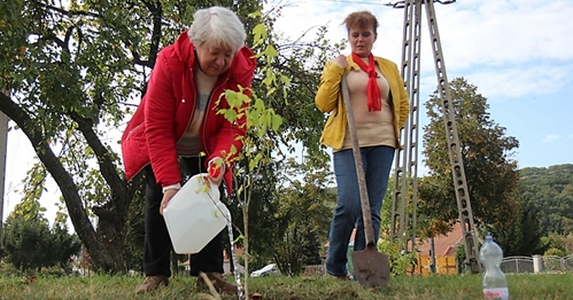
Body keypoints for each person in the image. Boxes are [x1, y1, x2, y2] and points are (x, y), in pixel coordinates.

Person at [120, 6, 256, 294]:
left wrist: (220, 161)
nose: (221, 61)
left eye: (228, 54)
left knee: (209, 198)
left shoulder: (241, 70)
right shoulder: (169, 62)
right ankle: (155, 273)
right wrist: (171, 184)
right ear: (197, 44)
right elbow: (156, 128)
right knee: (159, 196)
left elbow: (233, 127)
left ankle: (209, 274)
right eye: (215, 53)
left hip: (207, 145)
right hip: (163, 138)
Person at [315, 10, 410, 279]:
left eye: (365, 34)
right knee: (349, 204)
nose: (360, 39)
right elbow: (323, 103)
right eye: (355, 34)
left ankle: (364, 271)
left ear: (374, 37)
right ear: (349, 37)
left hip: (382, 144)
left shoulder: (387, 67)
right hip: (347, 144)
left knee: (372, 210)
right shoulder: (341, 66)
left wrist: (391, 129)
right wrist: (335, 69)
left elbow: (402, 103)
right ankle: (335, 268)